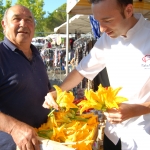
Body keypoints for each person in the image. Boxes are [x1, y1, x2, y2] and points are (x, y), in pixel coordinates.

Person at [43, 0, 150, 150]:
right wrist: (58, 92)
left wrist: (137, 109)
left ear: (128, 10)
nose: (101, 29)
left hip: (144, 135)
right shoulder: (107, 40)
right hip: (114, 134)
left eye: (107, 20)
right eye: (98, 21)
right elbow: (81, 71)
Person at [0, 5, 51, 150]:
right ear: (4, 24)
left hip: (42, 140)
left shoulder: (36, 55)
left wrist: (55, 95)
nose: (23, 24)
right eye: (16, 19)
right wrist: (13, 128)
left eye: (29, 20)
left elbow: (45, 88)